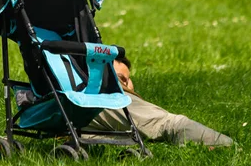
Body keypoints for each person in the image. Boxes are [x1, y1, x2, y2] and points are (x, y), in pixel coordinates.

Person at [85, 57, 233, 146]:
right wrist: (229, 146)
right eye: (121, 79)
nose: (129, 86)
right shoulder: (104, 92)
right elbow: (170, 125)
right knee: (169, 124)